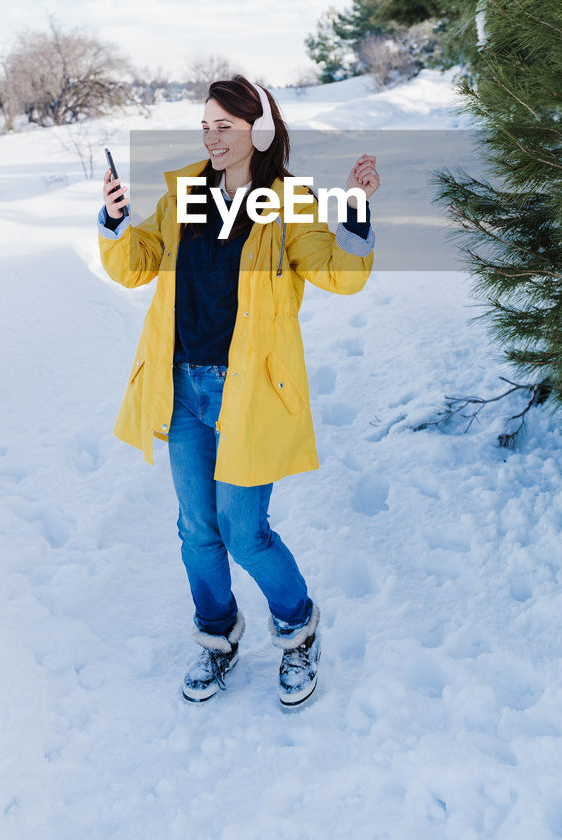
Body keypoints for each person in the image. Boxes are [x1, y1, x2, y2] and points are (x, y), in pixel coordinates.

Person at [98, 75, 379, 707]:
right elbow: (135, 263)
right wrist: (116, 221)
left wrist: (356, 206)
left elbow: (339, 273)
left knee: (244, 530)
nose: (211, 137)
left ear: (259, 131)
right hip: (183, 385)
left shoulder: (286, 202)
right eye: (205, 125)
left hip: (245, 391)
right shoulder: (186, 195)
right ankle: (218, 635)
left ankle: (297, 629)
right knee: (197, 527)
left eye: (224, 126)